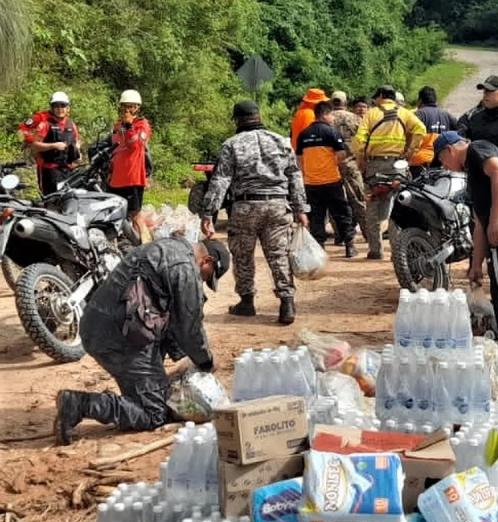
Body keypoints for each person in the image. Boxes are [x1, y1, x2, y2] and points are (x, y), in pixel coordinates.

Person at [54, 237, 230, 444]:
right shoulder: (186, 269)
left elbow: (170, 319)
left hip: (98, 325)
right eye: (207, 277)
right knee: (154, 413)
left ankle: (134, 395)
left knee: (154, 393)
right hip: (121, 339)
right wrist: (205, 361)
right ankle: (78, 404)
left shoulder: (165, 246)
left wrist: (180, 358)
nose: (203, 282)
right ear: (206, 261)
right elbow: (189, 326)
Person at [201, 100, 309, 323]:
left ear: (237, 120)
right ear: (258, 117)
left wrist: (208, 213)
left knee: (242, 256)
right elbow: (295, 176)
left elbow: (221, 180)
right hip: (278, 206)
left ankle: (247, 302)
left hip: (245, 207)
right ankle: (287, 303)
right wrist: (300, 208)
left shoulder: (231, 144)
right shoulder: (281, 141)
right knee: (279, 255)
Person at [435, 131, 498, 345]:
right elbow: (479, 225)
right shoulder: (472, 171)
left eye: (442, 159)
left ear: (449, 150)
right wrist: (476, 264)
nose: (444, 166)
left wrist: (496, 219)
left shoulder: (476, 149)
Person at [351, 85, 426, 259]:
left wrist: (361, 162)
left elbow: (360, 140)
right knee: (397, 206)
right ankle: (397, 251)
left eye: (375, 97)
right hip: (397, 165)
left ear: (382, 96)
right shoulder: (405, 113)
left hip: (375, 165)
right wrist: (409, 152)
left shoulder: (372, 114)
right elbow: (420, 130)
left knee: (372, 205)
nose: (374, 101)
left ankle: (376, 250)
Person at [296, 100, 357, 257]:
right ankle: (350, 246)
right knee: (342, 213)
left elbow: (299, 159)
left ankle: (320, 248)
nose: (333, 118)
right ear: (324, 115)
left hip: (311, 183)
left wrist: (308, 173)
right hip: (331, 181)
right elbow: (341, 155)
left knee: (316, 216)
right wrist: (332, 164)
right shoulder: (331, 132)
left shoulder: (303, 135)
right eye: (331, 115)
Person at [19, 91, 81, 195]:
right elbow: (35, 147)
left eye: (63, 105)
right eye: (56, 106)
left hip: (68, 170)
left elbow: (77, 142)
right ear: (52, 107)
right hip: (49, 170)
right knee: (51, 201)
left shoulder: (71, 124)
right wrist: (53, 145)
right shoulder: (45, 124)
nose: (60, 109)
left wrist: (78, 154)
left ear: (68, 108)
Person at [109, 90, 151, 239]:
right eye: (124, 106)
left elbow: (135, 145)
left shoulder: (142, 125)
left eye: (131, 106)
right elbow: (114, 145)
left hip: (132, 177)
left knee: (135, 213)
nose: (127, 110)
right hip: (116, 177)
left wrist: (129, 126)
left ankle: (146, 242)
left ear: (137, 107)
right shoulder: (117, 125)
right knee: (115, 212)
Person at [330, 90, 368, 239]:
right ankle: (368, 234)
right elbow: (364, 141)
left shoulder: (326, 119)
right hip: (352, 165)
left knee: (335, 203)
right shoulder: (356, 119)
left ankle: (340, 234)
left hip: (331, 166)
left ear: (332, 102)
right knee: (359, 201)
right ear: (345, 103)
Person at [410, 85, 458, 176]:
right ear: (435, 100)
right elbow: (459, 134)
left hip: (420, 164)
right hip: (442, 163)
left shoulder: (417, 115)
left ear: (420, 101)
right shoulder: (447, 115)